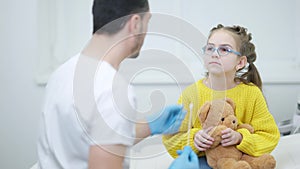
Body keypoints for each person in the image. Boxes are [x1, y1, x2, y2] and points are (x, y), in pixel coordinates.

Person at [37, 0, 190, 169]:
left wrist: (150, 125)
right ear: (135, 24)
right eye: (147, 22)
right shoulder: (112, 89)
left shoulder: (62, 73)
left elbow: (91, 139)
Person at [162, 24, 280, 169]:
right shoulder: (191, 94)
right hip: (202, 162)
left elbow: (270, 136)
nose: (214, 54)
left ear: (240, 62)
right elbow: (170, 138)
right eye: (210, 48)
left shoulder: (252, 93)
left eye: (224, 49)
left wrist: (241, 138)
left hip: (239, 161)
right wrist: (194, 139)